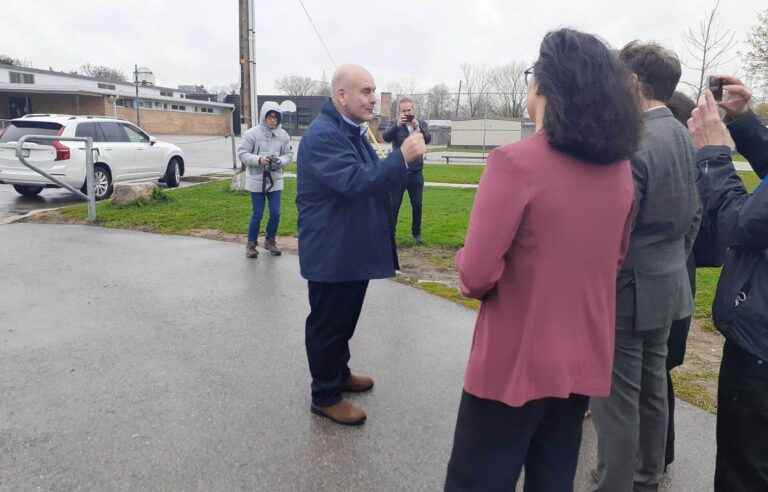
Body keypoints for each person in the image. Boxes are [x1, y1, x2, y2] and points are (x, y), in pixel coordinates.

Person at [443, 28, 641, 491]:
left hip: (514, 356)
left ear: (546, 86)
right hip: (580, 358)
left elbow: (475, 276)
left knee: (478, 479)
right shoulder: (620, 170)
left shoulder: (514, 163)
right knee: (553, 478)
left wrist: (463, 258)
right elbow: (613, 258)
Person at [591, 41, 701, 492]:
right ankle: (646, 477)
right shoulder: (679, 132)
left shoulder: (636, 140)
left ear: (633, 82)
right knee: (654, 390)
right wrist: (671, 257)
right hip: (668, 281)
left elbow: (615, 227)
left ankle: (615, 483)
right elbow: (694, 212)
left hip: (629, 287)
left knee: (616, 399)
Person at [296, 64, 426, 426]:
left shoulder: (352, 131)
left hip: (350, 248)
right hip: (331, 251)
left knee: (344, 319)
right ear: (341, 95)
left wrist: (408, 164)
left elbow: (379, 179)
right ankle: (324, 395)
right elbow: (356, 181)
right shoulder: (324, 136)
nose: (373, 99)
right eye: (366, 92)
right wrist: (402, 157)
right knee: (328, 323)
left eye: (373, 91)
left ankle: (339, 373)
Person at [687, 79, 768, 491]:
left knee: (746, 470)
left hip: (760, 352)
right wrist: (746, 124)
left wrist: (713, 157)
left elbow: (744, 224)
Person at [663, 91, 698, 470]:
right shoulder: (688, 169)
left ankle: (654, 457)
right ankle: (657, 455)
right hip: (679, 286)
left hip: (667, 289)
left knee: (654, 376)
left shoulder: (681, 175)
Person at [237, 102, 292, 258]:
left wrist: (279, 161)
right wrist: (259, 159)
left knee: (276, 213)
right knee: (257, 214)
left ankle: (270, 241)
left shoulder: (283, 135)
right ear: (264, 116)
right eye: (270, 116)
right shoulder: (251, 134)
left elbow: (288, 155)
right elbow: (242, 153)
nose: (273, 120)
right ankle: (251, 244)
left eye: (276, 117)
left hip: (275, 180)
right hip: (257, 179)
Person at [383, 97, 432, 243]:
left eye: (409, 110)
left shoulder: (420, 123)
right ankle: (389, 235)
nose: (407, 113)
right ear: (400, 111)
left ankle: (416, 234)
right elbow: (386, 137)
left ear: (413, 109)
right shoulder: (395, 124)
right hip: (398, 171)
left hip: (416, 172)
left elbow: (428, 139)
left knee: (417, 205)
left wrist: (419, 128)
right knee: (393, 205)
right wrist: (397, 125)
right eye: (404, 111)